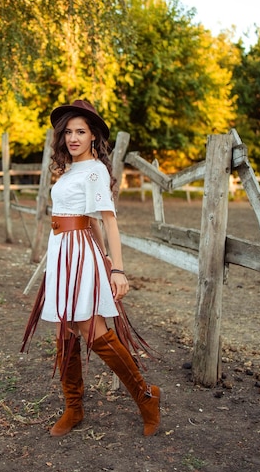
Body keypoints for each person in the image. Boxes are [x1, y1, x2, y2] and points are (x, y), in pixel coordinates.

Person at [21, 99, 161, 437]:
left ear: (93, 136)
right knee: (64, 328)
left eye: (80, 131)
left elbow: (109, 220)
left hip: (78, 254)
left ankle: (145, 396)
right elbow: (89, 220)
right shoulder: (71, 169)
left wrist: (117, 269)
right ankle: (74, 406)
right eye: (68, 131)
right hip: (62, 252)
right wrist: (104, 256)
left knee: (90, 327)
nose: (73, 137)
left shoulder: (96, 169)